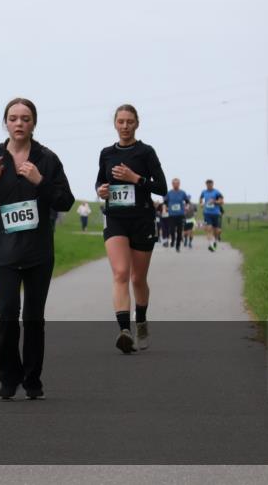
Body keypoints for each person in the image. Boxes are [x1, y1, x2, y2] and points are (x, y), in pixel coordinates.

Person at [0, 98, 74, 401]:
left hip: (39, 253)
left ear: (33, 123)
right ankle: (9, 378)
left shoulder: (46, 159)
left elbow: (65, 201)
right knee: (8, 315)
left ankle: (32, 380)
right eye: (13, 118)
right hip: (5, 254)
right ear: (6, 123)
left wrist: (40, 181)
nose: (19, 123)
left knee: (34, 318)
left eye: (25, 118)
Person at [95, 104, 167, 354]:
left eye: (129, 122)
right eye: (121, 121)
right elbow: (100, 181)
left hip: (142, 219)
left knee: (138, 278)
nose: (125, 126)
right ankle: (124, 331)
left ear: (137, 124)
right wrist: (101, 190)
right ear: (115, 124)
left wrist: (134, 178)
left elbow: (161, 188)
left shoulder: (146, 152)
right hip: (115, 217)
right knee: (120, 273)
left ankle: (142, 322)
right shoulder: (106, 153)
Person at [164, 178, 190, 253]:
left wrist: (186, 207)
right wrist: (165, 208)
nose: (175, 185)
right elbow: (165, 202)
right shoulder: (169, 193)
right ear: (172, 184)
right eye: (174, 183)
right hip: (171, 215)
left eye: (177, 183)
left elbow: (187, 202)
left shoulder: (182, 193)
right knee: (172, 230)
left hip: (180, 215)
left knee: (179, 231)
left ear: (179, 184)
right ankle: (173, 239)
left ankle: (177, 246)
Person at [199, 179, 225, 251]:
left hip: (216, 213)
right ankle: (211, 245)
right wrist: (201, 203)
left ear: (213, 184)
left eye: (210, 184)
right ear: (206, 185)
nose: (209, 186)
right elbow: (201, 199)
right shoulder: (204, 192)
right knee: (209, 228)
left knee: (217, 231)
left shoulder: (216, 192)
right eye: (208, 184)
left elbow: (222, 201)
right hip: (207, 213)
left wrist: (214, 202)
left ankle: (215, 241)